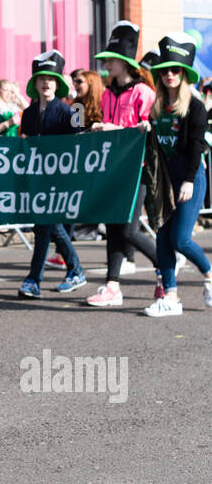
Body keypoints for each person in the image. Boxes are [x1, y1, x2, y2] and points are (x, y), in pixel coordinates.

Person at [86, 21, 157, 308]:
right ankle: (112, 286)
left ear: (125, 63)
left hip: (137, 170)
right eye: (105, 60)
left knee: (128, 229)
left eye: (111, 60)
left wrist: (112, 129)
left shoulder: (144, 93)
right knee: (114, 227)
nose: (107, 65)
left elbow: (147, 129)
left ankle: (165, 263)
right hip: (113, 169)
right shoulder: (105, 94)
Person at [143, 34, 212, 317]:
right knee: (162, 237)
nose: (170, 74)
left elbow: (197, 146)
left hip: (189, 177)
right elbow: (156, 145)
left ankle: (208, 274)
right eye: (165, 70)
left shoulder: (194, 106)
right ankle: (170, 297)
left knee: (181, 239)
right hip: (164, 180)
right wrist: (144, 131)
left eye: (176, 70)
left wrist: (187, 180)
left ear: (184, 74)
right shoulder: (157, 107)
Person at [17, 51, 87, 299]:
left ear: (58, 84)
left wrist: (78, 103)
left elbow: (80, 135)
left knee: (48, 225)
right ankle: (72, 271)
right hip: (37, 179)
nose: (46, 83)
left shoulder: (70, 109)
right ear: (35, 83)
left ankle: (36, 278)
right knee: (45, 228)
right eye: (41, 78)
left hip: (60, 180)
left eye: (51, 79)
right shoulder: (28, 113)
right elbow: (23, 143)